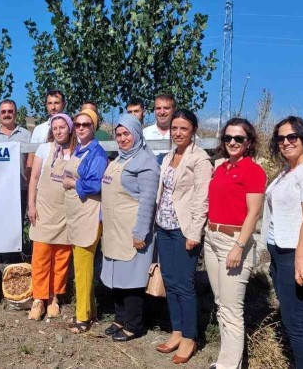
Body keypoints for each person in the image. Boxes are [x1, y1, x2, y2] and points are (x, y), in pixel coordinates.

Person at [261, 116, 303, 369]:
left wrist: (301, 258)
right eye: (280, 138)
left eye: (292, 137)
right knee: (292, 321)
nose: (285, 142)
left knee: (297, 324)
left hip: (299, 256)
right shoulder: (287, 173)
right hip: (281, 255)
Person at [205, 117, 266, 369]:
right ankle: (228, 360)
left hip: (234, 241)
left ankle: (228, 366)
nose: (232, 142)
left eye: (239, 138)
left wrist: (239, 247)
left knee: (231, 310)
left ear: (249, 142)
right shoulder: (221, 168)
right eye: (228, 138)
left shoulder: (253, 171)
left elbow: (253, 213)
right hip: (212, 238)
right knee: (221, 303)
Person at [155, 109, 212, 364]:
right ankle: (176, 330)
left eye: (184, 129)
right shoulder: (169, 156)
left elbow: (202, 198)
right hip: (163, 226)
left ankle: (190, 336)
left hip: (184, 229)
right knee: (169, 280)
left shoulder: (199, 159)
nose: (178, 133)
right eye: (175, 128)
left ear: (193, 131)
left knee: (184, 283)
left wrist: (195, 232)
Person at [100, 113, 160, 342]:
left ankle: (134, 325)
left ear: (136, 134)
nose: (123, 138)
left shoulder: (146, 163)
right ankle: (120, 318)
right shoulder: (119, 159)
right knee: (117, 278)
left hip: (132, 231)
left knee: (132, 281)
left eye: (127, 134)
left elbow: (147, 201)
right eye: (119, 134)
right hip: (115, 230)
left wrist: (140, 232)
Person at [26, 113, 77, 321]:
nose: (58, 131)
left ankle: (54, 297)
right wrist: (31, 205)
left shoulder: (76, 151)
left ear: (70, 129)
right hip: (44, 210)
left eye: (62, 127)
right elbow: (34, 178)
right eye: (55, 128)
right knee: (41, 256)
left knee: (61, 258)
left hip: (66, 212)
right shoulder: (44, 149)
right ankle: (39, 299)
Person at [61, 109, 108, 333]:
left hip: (88, 215)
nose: (80, 127)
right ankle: (89, 310)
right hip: (77, 215)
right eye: (78, 124)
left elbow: (96, 184)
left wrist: (73, 184)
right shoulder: (80, 149)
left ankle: (82, 318)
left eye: (86, 124)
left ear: (94, 127)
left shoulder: (97, 154)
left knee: (83, 268)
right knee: (82, 265)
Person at [0, 99, 32, 262]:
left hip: (19, 189)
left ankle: (12, 262)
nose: (7, 114)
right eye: (3, 111)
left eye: (10, 111)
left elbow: (30, 163)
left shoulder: (26, 135)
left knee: (16, 228)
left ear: (15, 113)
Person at [143, 94, 176, 162]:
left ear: (174, 110)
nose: (162, 112)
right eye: (158, 108)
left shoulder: (184, 134)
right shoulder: (144, 134)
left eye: (166, 108)